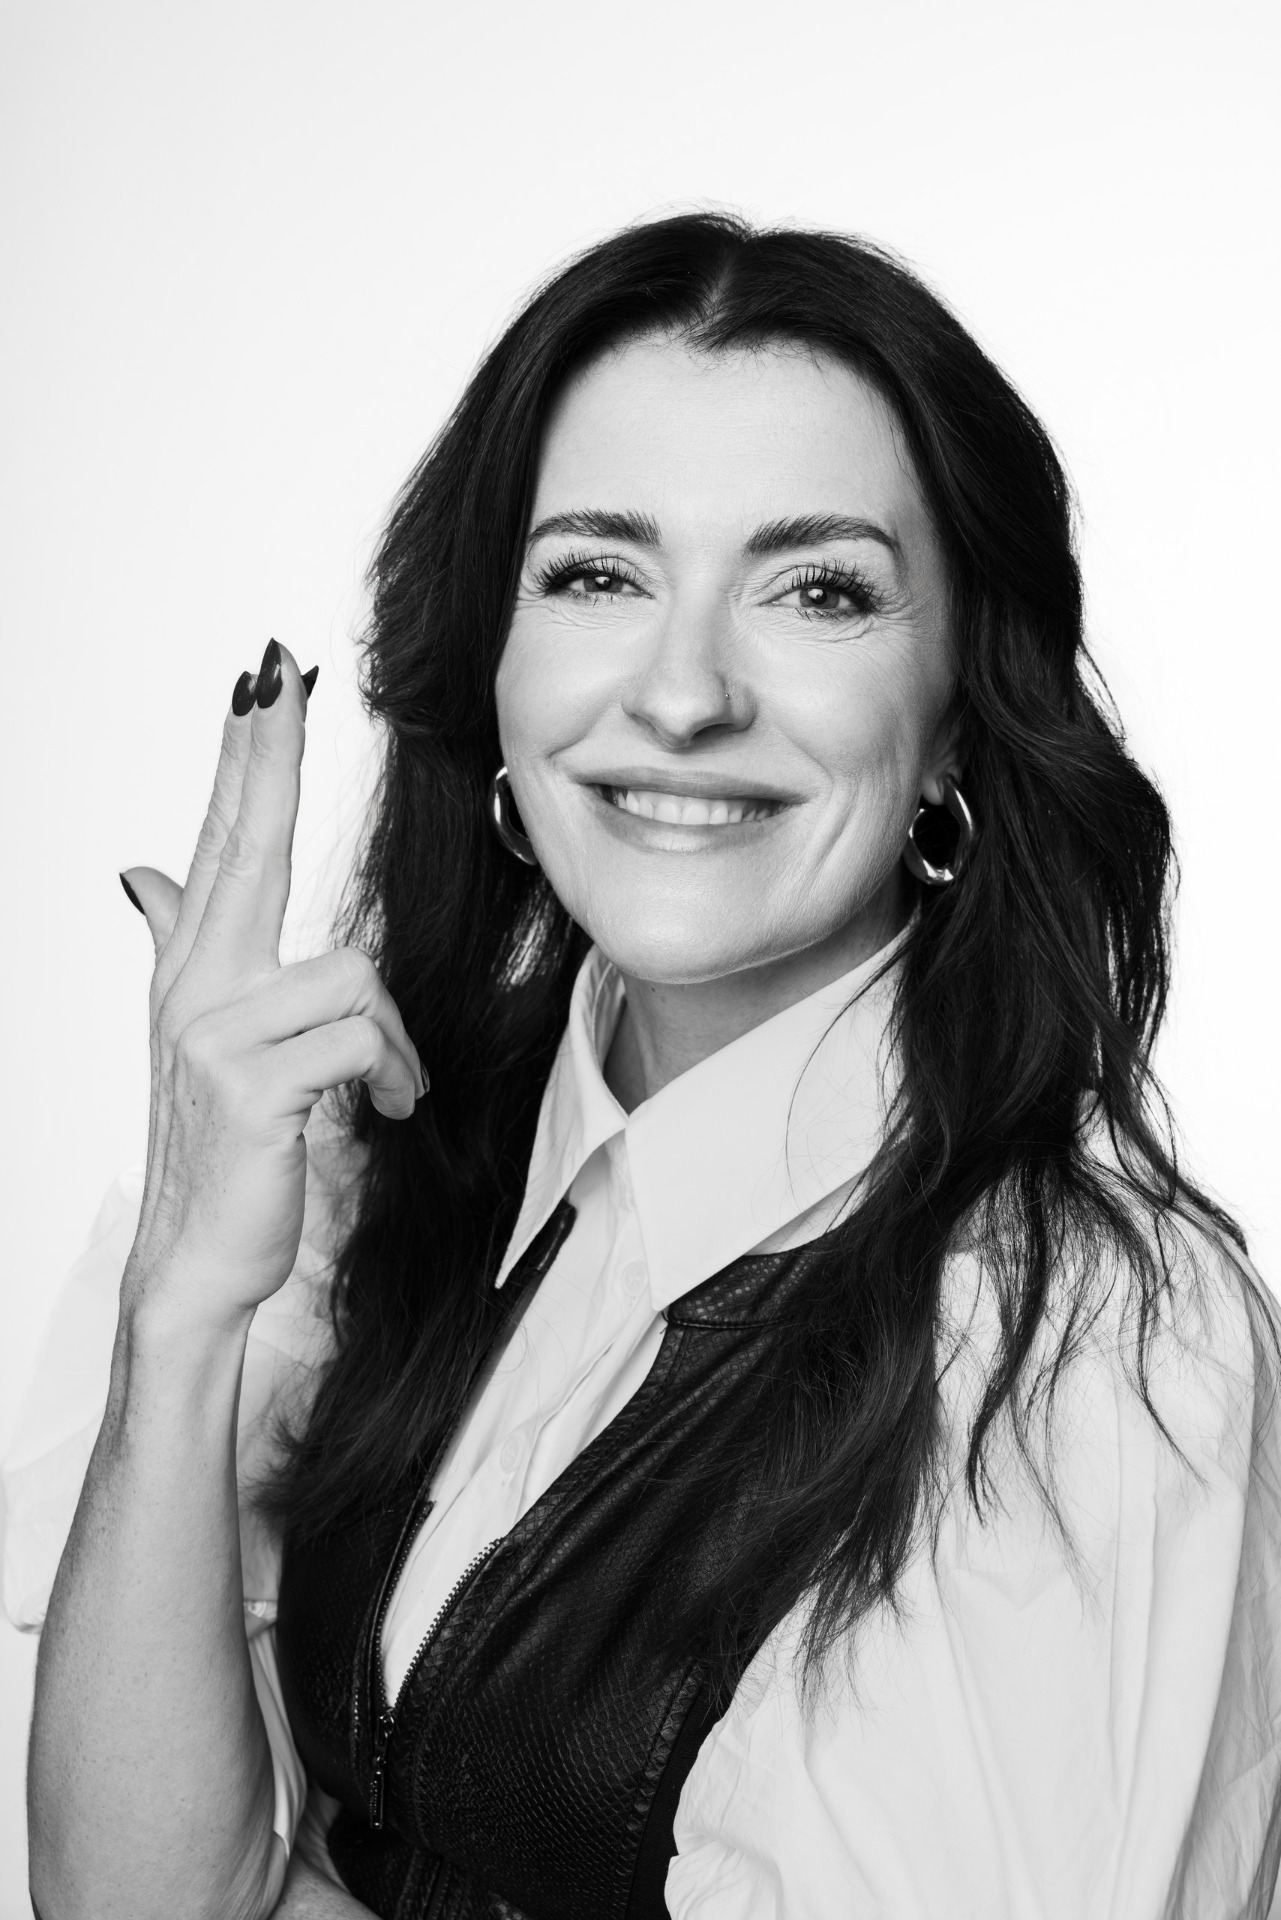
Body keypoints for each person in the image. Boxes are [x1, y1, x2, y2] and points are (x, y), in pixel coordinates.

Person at [6, 213, 1281, 1920]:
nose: (682, 697)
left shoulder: (1085, 1356)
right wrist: (179, 1307)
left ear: (956, 717)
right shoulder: (376, 1168)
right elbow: (141, 1893)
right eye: (597, 575)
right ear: (494, 669)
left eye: (818, 591)